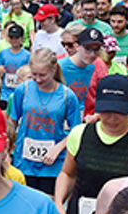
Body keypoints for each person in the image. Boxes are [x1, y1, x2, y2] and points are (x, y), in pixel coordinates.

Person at [54, 74, 128, 214]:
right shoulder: (80, 134)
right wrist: (58, 204)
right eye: (106, 110)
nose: (111, 118)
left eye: (119, 111)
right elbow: (68, 174)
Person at [7, 48, 80, 196]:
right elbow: (11, 122)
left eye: (43, 75)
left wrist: (58, 148)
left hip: (52, 164)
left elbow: (76, 131)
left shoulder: (68, 96)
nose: (38, 79)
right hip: (24, 161)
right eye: (34, 75)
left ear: (54, 70)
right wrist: (6, 151)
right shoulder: (23, 90)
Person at [59, 26, 108, 114]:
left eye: (96, 50)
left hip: (88, 115)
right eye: (88, 49)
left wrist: (97, 114)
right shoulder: (60, 66)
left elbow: (104, 92)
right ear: (77, 46)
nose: (92, 54)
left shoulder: (96, 64)